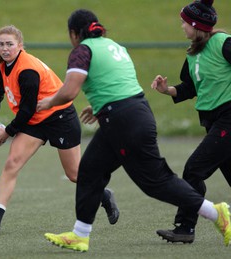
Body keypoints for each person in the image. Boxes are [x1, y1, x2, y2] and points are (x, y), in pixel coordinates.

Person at [37, 8, 231, 252]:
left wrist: (49, 102)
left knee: (156, 182)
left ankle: (216, 213)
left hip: (122, 120)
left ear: (74, 33)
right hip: (128, 114)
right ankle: (80, 234)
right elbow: (120, 85)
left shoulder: (82, 50)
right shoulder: (114, 46)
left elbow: (69, 91)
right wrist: (100, 109)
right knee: (90, 171)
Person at [0, 25, 119, 234]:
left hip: (60, 118)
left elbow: (27, 109)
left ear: (20, 46)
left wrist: (8, 132)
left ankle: (104, 195)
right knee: (11, 163)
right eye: (1, 44)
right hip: (35, 120)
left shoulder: (27, 70)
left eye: (10, 44)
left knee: (75, 174)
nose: (5, 48)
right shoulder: (5, 65)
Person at [151, 0, 231, 244]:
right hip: (212, 121)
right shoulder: (194, 52)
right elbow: (189, 88)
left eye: (184, 22)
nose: (182, 26)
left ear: (196, 25)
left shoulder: (223, 43)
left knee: (194, 169)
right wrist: (167, 90)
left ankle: (185, 228)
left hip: (228, 118)